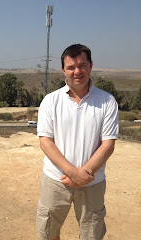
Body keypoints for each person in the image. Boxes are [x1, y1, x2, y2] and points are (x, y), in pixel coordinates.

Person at [36, 44, 119, 240]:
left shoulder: (107, 101)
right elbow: (46, 141)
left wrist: (83, 174)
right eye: (71, 67)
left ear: (90, 65)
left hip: (93, 182)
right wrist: (74, 174)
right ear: (63, 70)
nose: (77, 71)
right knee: (48, 232)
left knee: (91, 234)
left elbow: (108, 144)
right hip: (56, 180)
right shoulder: (50, 100)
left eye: (82, 65)